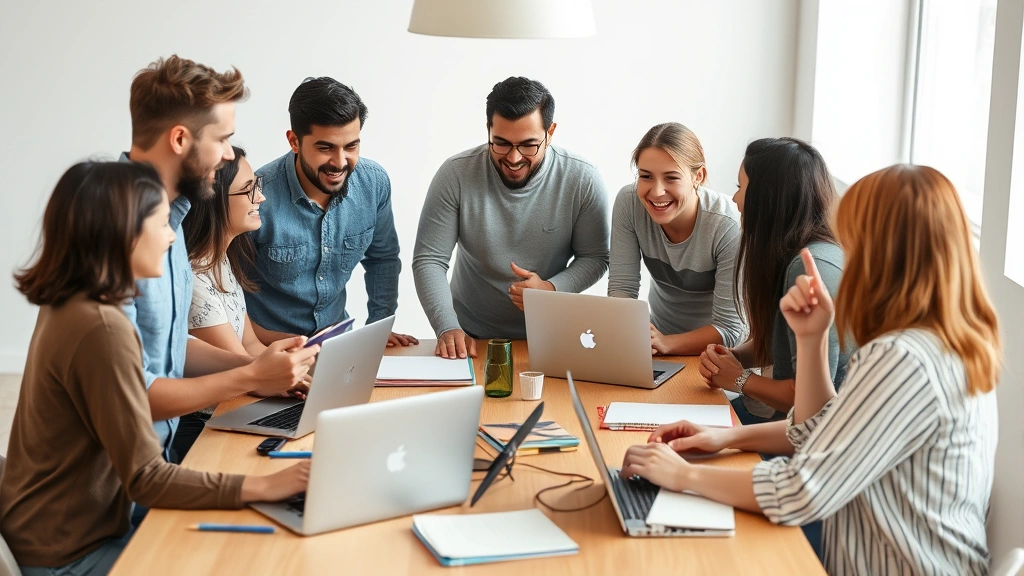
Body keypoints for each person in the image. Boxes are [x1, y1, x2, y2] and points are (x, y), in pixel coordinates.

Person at [620, 164, 1001, 575]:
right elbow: (821, 429)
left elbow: (800, 491)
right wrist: (722, 436)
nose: (842, 253)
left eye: (851, 239)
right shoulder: (944, 340)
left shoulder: (904, 359)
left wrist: (682, 476)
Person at [0, 162, 310, 576]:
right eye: (162, 225)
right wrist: (263, 486)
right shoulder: (100, 327)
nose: (171, 238)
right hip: (70, 553)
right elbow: (147, 477)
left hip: (89, 524)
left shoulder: (79, 303)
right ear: (122, 233)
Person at [123, 55, 318, 464]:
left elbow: (173, 344)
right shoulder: (121, 230)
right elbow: (132, 395)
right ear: (180, 140)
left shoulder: (170, 225)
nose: (229, 155)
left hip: (155, 461)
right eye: (222, 139)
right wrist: (250, 374)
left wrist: (264, 367)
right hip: (114, 492)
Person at [413, 76, 610, 358]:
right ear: (488, 130)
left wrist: (552, 289)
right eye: (501, 143)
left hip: (551, 337)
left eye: (529, 145)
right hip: (472, 339)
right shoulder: (455, 174)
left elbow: (596, 257)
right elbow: (429, 259)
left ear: (550, 132)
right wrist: (446, 327)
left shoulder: (583, 179)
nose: (514, 158)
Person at [245, 77, 416, 348]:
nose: (339, 162)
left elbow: (382, 259)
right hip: (267, 352)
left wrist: (378, 326)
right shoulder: (254, 196)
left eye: (351, 146)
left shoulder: (374, 183)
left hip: (337, 347)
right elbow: (224, 289)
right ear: (294, 141)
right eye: (325, 148)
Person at [698, 138, 854, 424]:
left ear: (768, 197)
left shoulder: (810, 269)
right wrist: (732, 358)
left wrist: (739, 379)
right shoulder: (803, 254)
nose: (735, 199)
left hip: (809, 440)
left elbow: (809, 402)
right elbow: (779, 343)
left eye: (740, 188)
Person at [177, 147, 300, 456]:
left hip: (232, 408)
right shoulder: (195, 279)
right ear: (213, 201)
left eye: (257, 186)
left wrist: (301, 371)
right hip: (204, 426)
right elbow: (246, 374)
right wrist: (293, 377)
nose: (261, 198)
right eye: (248, 191)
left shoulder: (220, 263)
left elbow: (252, 346)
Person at [607, 123, 744, 356]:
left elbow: (730, 330)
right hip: (657, 345)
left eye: (671, 178)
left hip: (715, 355)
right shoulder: (629, 203)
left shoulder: (727, 225)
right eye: (646, 176)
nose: (657, 191)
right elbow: (622, 289)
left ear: (697, 176)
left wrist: (668, 343)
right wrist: (628, 332)